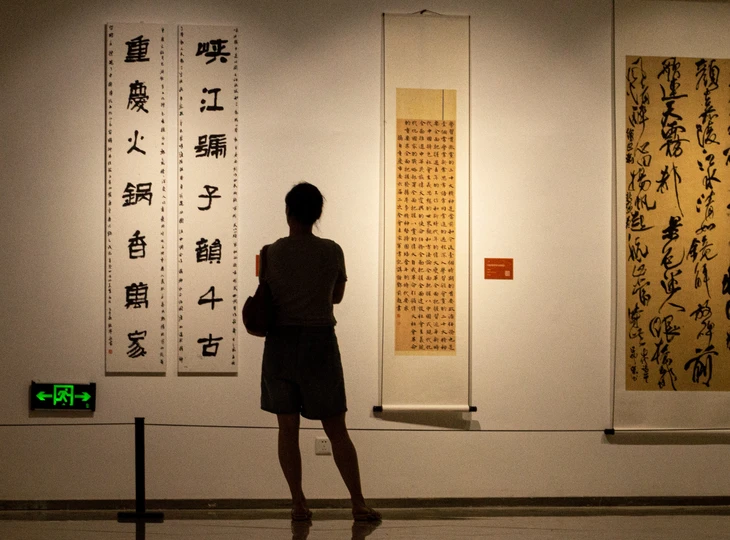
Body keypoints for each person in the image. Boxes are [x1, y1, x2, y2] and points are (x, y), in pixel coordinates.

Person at [260, 182, 381, 524]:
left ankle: (298, 504)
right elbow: (336, 297)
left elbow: (267, 295)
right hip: (320, 343)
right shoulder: (332, 251)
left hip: (280, 344)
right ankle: (357, 503)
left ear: (288, 212)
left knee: (287, 428)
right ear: (317, 214)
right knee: (336, 428)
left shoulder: (270, 252)